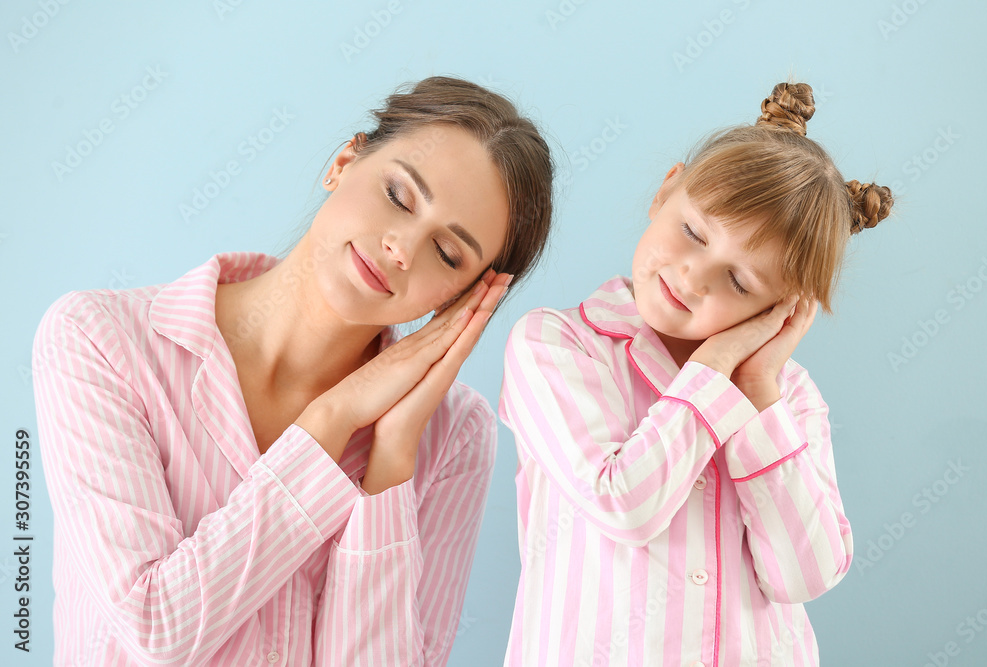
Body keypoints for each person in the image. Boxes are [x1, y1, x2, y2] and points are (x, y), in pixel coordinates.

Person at [33, 75, 553, 666]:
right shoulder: (99, 341)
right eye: (400, 196)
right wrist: (332, 419)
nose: (403, 247)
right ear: (344, 161)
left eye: (448, 253)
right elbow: (156, 629)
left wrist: (390, 463)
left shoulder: (454, 434)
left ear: (463, 298)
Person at [499, 82, 893, 666]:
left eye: (739, 282)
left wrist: (757, 392)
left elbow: (804, 575)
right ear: (666, 189)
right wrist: (712, 371)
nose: (692, 276)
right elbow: (622, 504)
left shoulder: (790, 397)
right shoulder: (558, 344)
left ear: (782, 307)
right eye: (693, 232)